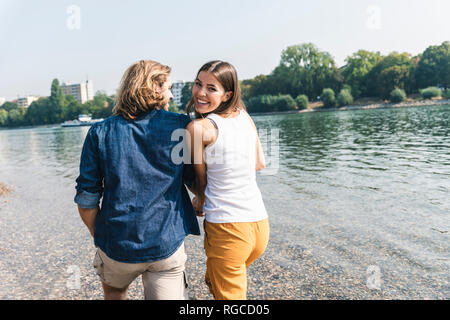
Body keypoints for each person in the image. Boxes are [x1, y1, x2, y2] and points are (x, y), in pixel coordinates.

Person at [74, 60, 200, 300]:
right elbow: (192, 179)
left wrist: (100, 234)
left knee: (114, 292)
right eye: (168, 88)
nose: (171, 96)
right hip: (166, 245)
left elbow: (87, 199)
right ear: (153, 87)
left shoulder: (99, 132)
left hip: (117, 244)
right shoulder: (182, 128)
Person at [186, 60, 269, 300]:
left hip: (228, 228)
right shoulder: (244, 116)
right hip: (259, 226)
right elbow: (259, 164)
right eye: (198, 84)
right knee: (217, 282)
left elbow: (200, 183)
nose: (201, 93)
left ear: (227, 94)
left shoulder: (199, 129)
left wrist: (199, 200)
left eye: (211, 88)